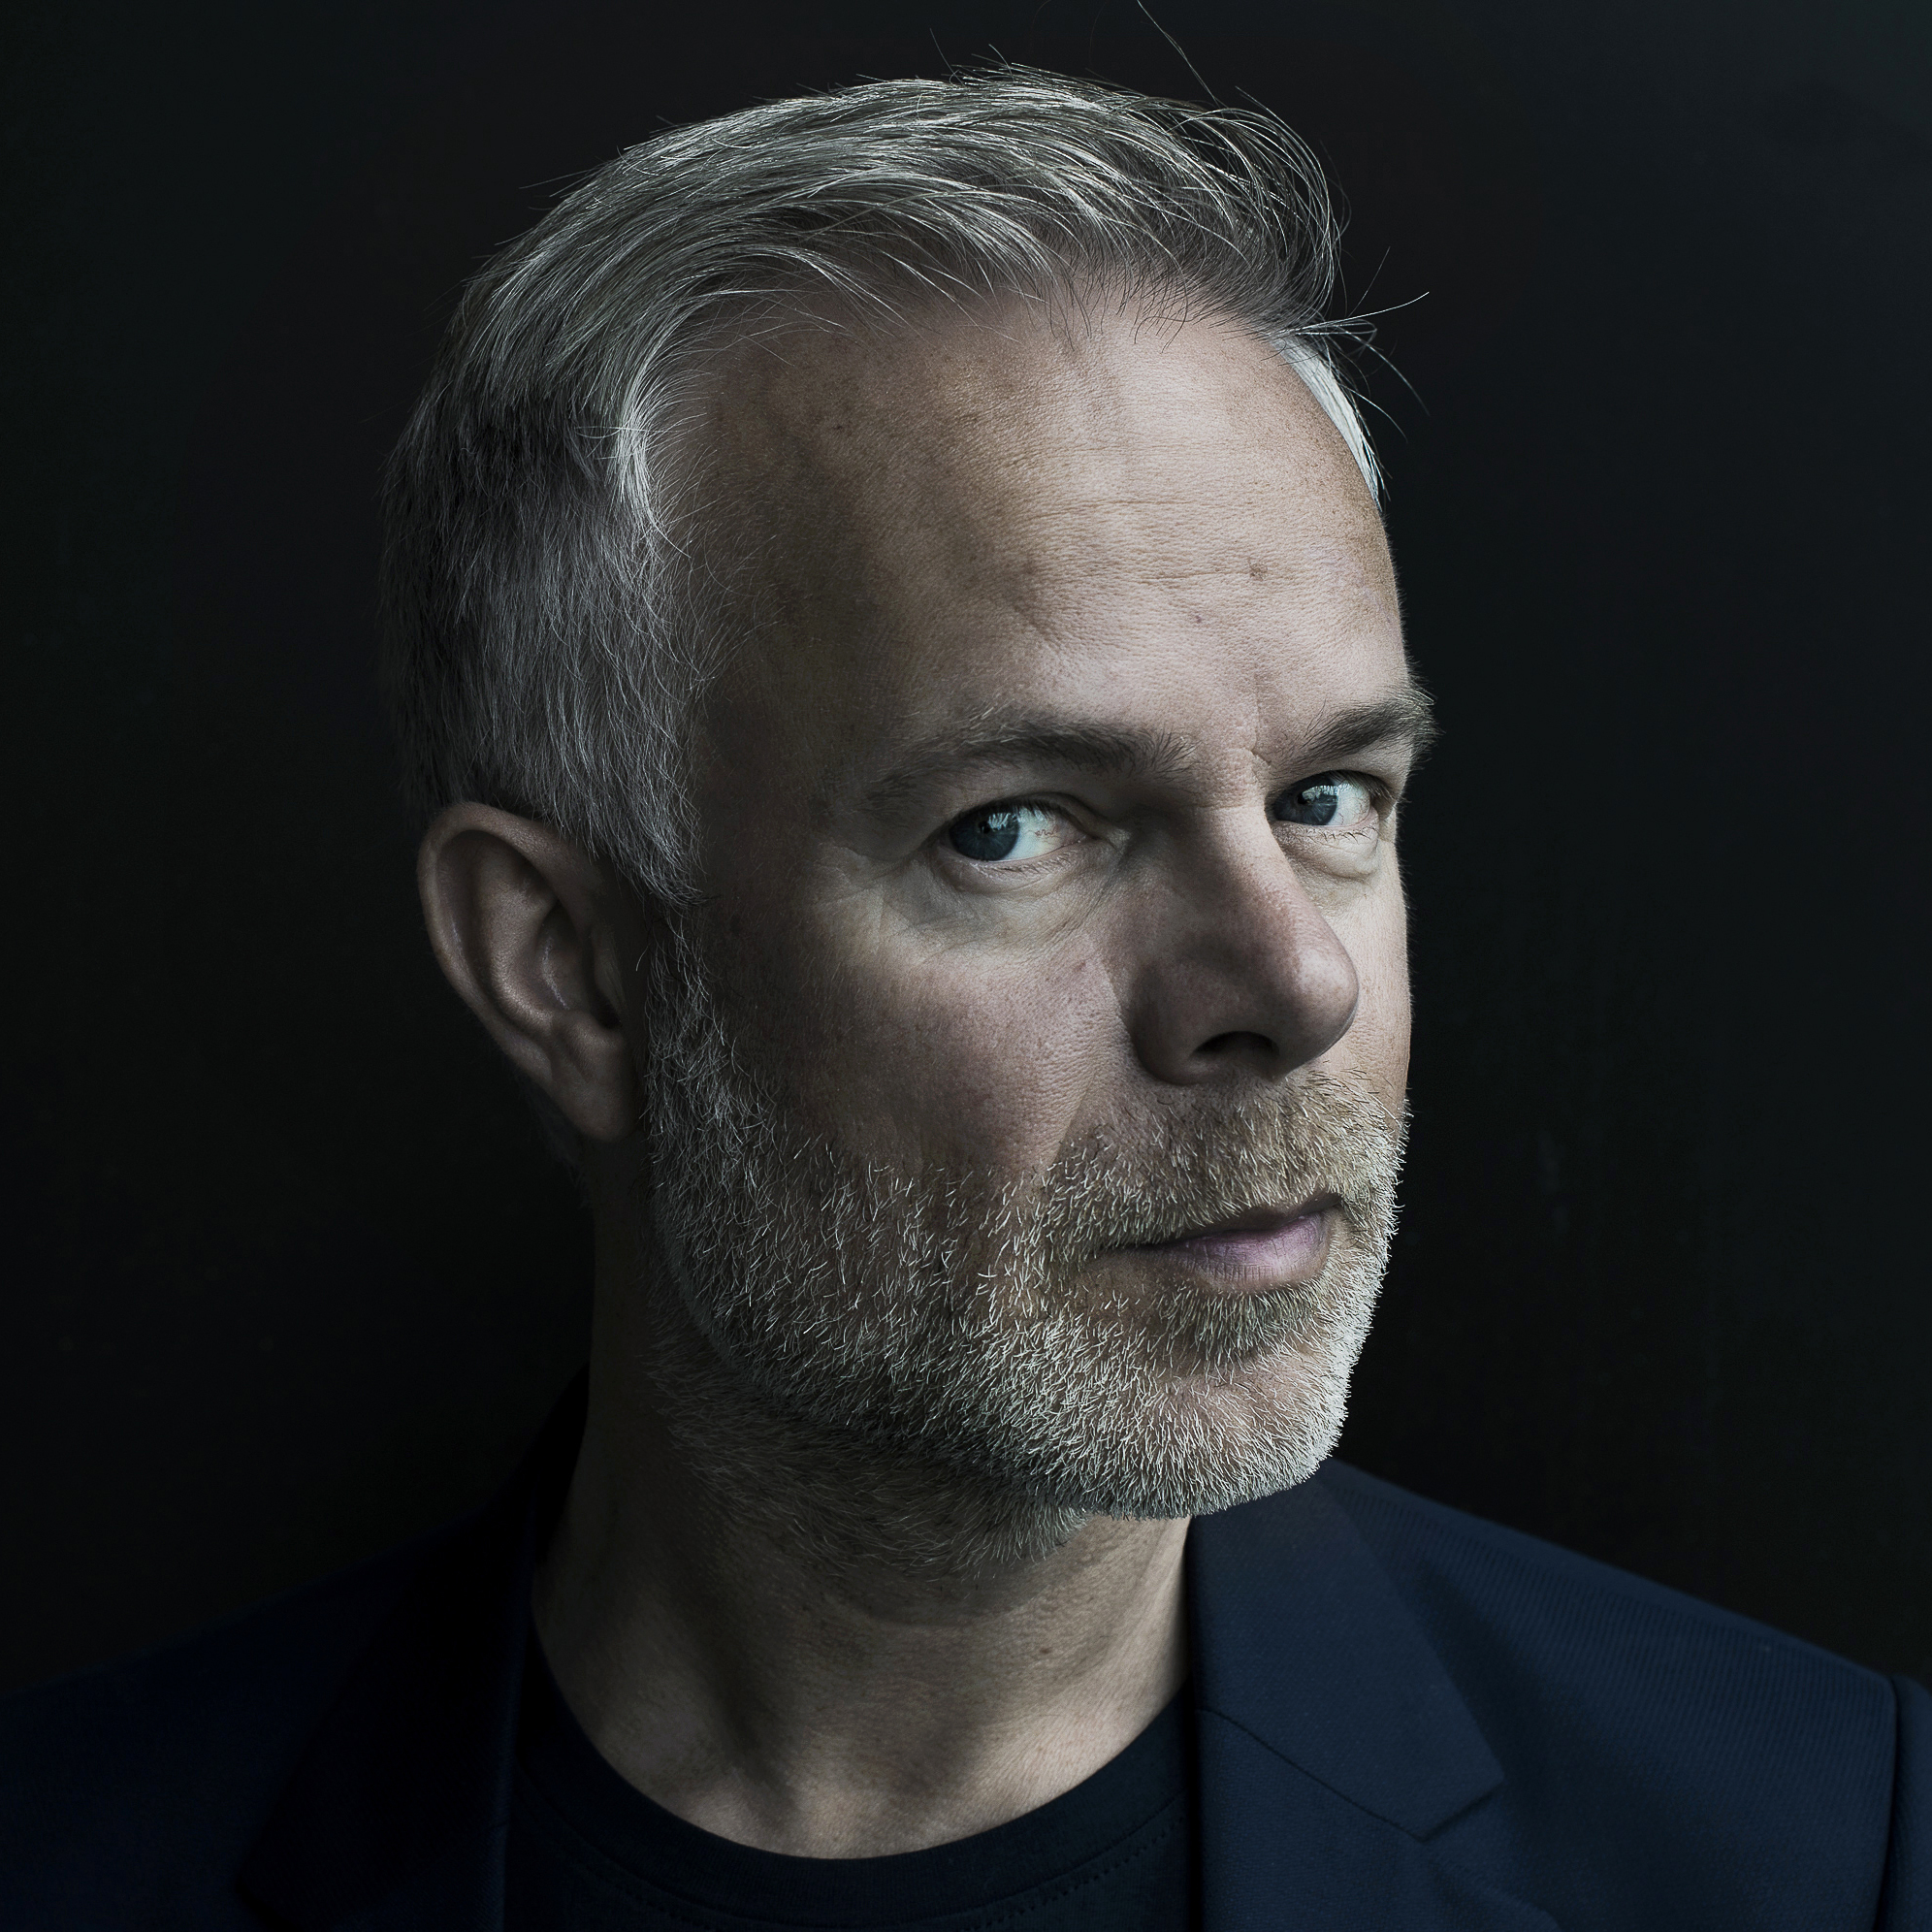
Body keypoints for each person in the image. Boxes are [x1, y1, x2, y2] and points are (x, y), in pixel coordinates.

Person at [1, 66, 1923, 1932]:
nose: (1293, 985)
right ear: (568, 969)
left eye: (1330, 798)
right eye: (1015, 829)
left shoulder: (1816, 1857)